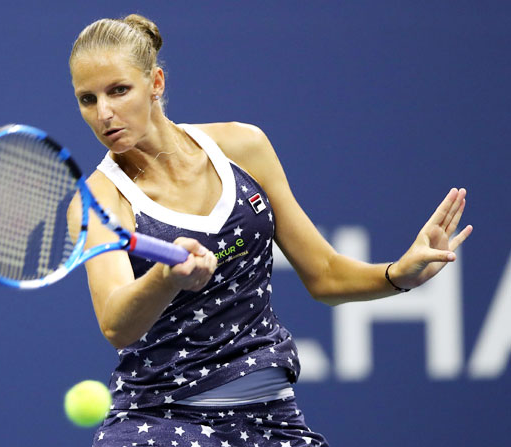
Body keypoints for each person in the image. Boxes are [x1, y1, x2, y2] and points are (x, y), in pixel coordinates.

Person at [68, 14, 472, 447]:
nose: (104, 113)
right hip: (161, 425)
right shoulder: (98, 200)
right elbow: (116, 324)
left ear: (156, 83)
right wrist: (164, 279)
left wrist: (397, 275)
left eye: (118, 90)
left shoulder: (244, 147)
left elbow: (325, 272)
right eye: (87, 99)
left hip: (273, 420)